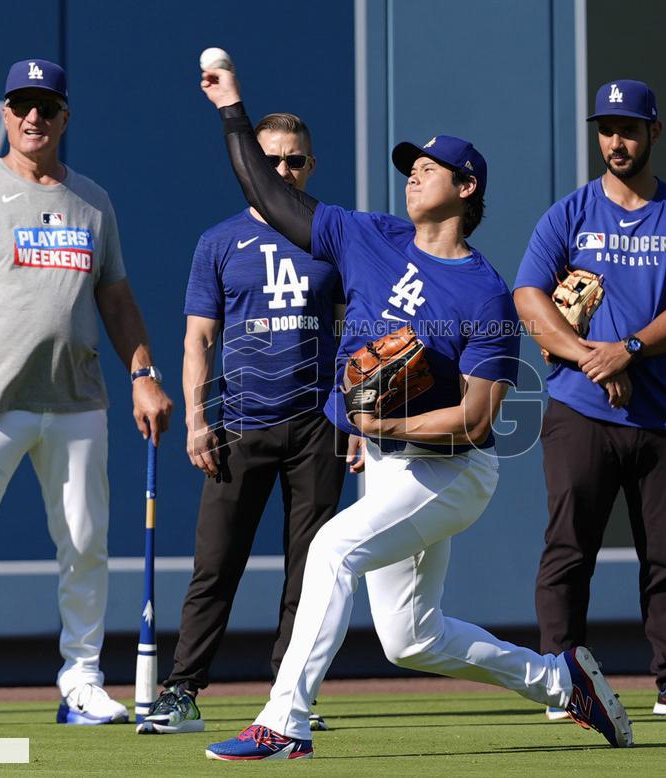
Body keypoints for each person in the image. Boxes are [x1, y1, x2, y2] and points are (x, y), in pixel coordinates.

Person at [195, 62, 633, 760]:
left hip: (451, 473)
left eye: (431, 168)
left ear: (466, 189)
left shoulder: (485, 295)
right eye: (411, 165)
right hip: (391, 468)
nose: (414, 175)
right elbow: (269, 195)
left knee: (331, 549)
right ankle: (561, 682)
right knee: (411, 639)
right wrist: (232, 110)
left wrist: (383, 426)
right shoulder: (366, 234)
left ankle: (285, 722)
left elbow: (477, 420)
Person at [0, 58, 173, 728]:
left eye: (47, 107)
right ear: (5, 114)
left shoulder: (92, 201)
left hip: (77, 402)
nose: (34, 118)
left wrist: (143, 374)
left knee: (85, 542)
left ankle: (82, 679)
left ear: (64, 117)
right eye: (22, 105)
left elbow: (116, 301)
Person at [513, 79, 666, 719]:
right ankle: (563, 681)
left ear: (653, 133)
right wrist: (591, 356)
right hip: (582, 410)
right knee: (568, 550)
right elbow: (530, 297)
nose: (616, 140)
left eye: (629, 128)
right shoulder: (570, 213)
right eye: (607, 128)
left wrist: (628, 349)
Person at [137, 112, 354, 735]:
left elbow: (355, 333)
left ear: (311, 166)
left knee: (310, 572)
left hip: (319, 425)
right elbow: (198, 341)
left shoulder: (331, 234)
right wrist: (198, 422)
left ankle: (292, 697)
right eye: (272, 161)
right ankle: (183, 690)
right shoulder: (218, 242)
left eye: (296, 161)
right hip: (241, 424)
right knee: (215, 564)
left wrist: (358, 422)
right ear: (250, 166)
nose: (284, 171)